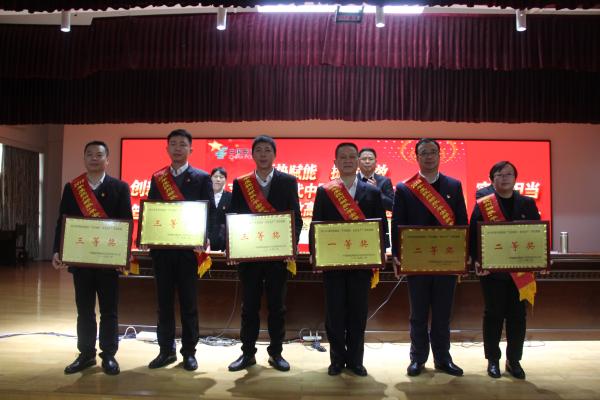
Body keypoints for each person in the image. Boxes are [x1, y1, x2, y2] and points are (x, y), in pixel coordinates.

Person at [52, 140, 132, 375]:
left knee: (109, 311)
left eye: (99, 155)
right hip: (82, 261)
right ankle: (86, 354)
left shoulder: (120, 187)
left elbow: (126, 223)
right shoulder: (72, 188)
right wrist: (57, 249)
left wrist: (123, 256)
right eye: (89, 154)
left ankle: (108, 355)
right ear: (84, 158)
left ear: (107, 160)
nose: (94, 158)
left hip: (109, 262)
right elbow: (62, 220)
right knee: (85, 310)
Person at [391, 138, 468, 377]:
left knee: (443, 314)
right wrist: (398, 255)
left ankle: (443, 359)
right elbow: (397, 223)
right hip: (416, 262)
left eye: (433, 152)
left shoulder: (454, 185)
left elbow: (462, 221)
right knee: (418, 315)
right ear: (417, 157)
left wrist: (464, 254)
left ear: (439, 155)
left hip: (446, 262)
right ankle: (418, 358)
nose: (429, 156)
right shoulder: (405, 188)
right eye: (424, 153)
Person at [311, 142, 388, 377]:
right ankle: (336, 360)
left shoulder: (372, 192)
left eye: (351, 157)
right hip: (333, 263)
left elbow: (381, 227)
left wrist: (380, 254)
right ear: (335, 162)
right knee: (334, 314)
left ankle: (356, 360)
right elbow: (316, 224)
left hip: (361, 264)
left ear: (358, 161)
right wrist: (316, 254)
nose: (347, 160)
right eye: (342, 157)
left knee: (358, 313)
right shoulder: (325, 191)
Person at [227, 135, 302, 372]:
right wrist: (234, 246)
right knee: (249, 308)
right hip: (249, 258)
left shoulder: (288, 181)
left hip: (277, 259)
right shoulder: (241, 183)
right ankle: (247, 353)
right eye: (258, 150)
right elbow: (234, 217)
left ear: (274, 154)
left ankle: (276, 354)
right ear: (252, 155)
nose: (263, 154)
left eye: (267, 150)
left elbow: (296, 218)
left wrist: (290, 246)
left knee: (277, 308)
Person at [146, 129, 214, 371]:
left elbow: (209, 213)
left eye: (182, 144)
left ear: (190, 149)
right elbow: (152, 211)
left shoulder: (202, 178)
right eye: (173, 144)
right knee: (163, 305)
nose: (177, 148)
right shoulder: (158, 178)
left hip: (188, 253)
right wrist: (146, 235)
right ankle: (166, 351)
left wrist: (204, 237)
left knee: (188, 305)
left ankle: (189, 352)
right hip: (163, 252)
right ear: (167, 148)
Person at [469, 161, 541, 380]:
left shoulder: (527, 203)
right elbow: (473, 236)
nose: (505, 178)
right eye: (499, 175)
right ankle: (493, 360)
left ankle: (514, 360)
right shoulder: (484, 205)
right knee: (493, 315)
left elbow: (537, 234)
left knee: (518, 316)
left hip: (520, 271)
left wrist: (540, 260)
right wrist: (477, 261)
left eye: (509, 174)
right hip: (492, 272)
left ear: (515, 178)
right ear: (492, 180)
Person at [208, 167, 232, 252]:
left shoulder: (231, 197)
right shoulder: (204, 195)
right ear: (211, 178)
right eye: (215, 176)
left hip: (223, 240)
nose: (218, 179)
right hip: (206, 239)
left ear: (225, 180)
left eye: (221, 177)